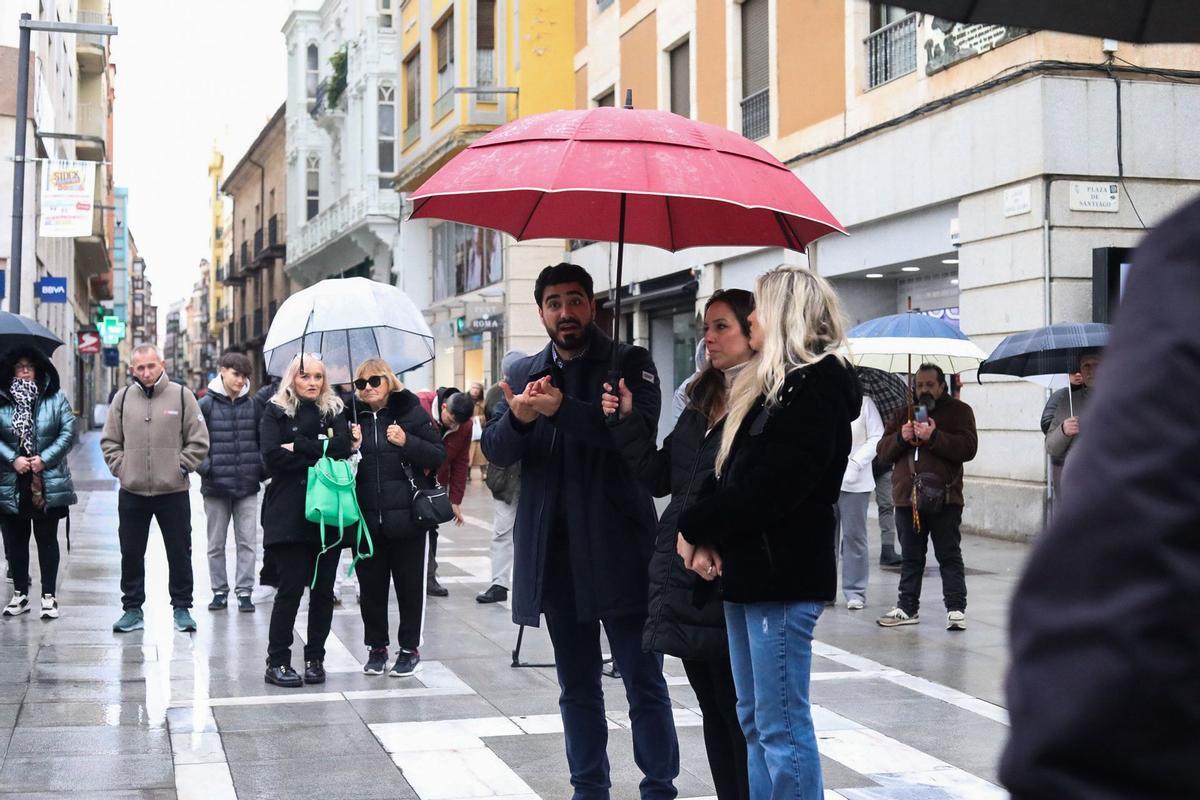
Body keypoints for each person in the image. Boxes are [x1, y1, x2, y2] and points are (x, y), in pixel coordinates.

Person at [999, 192, 1200, 800]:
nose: (1090, 370)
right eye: (1085, 365)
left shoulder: (1181, 270)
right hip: (1076, 499)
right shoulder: (1061, 402)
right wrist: (1066, 428)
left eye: (1095, 362)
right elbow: (1052, 451)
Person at [483, 262, 679, 800]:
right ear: (541, 310)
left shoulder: (631, 364)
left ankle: (659, 787)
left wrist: (565, 409)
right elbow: (496, 450)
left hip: (620, 548)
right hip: (557, 555)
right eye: (553, 302)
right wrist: (521, 417)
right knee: (577, 687)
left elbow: (633, 437)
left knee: (643, 682)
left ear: (592, 306)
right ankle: (588, 788)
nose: (564, 312)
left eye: (574, 300)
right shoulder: (526, 370)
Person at [675, 267, 859, 800]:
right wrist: (705, 534)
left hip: (783, 577)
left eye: (757, 308)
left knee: (781, 727)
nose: (750, 317)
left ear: (784, 314)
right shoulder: (775, 385)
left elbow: (771, 489)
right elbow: (731, 477)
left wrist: (695, 527)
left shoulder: (816, 388)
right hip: (750, 574)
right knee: (754, 720)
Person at [603, 288, 756, 800]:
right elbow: (659, 476)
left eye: (721, 327)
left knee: (742, 710)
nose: (707, 338)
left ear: (753, 331)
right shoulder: (700, 401)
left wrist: (711, 537)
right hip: (681, 572)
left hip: (723, 571)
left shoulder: (763, 404)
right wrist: (626, 420)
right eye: (705, 327)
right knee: (714, 707)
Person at [259, 353, 355, 688]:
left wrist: (298, 445)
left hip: (328, 515)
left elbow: (344, 447)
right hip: (288, 514)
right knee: (289, 591)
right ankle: (278, 661)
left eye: (317, 376)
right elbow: (272, 457)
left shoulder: (336, 408)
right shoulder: (274, 410)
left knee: (323, 591)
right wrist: (322, 451)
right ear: (292, 378)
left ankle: (315, 659)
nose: (312, 382)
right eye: (304, 376)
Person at [346, 359, 446, 677]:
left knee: (409, 587)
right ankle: (377, 649)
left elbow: (437, 454)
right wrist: (347, 445)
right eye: (361, 384)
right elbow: (332, 459)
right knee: (371, 589)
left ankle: (408, 648)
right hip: (365, 519)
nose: (368, 388)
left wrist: (407, 442)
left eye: (375, 381)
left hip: (408, 519)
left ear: (389, 381)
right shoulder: (349, 418)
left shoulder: (410, 411)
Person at [101, 343, 209, 634]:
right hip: (132, 491)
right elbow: (110, 440)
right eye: (140, 367)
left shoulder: (183, 396)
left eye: (151, 366)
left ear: (162, 364)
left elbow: (199, 440)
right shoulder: (122, 398)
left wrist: (180, 466)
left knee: (179, 551)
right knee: (131, 552)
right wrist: (122, 468)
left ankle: (182, 608)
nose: (146, 372)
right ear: (132, 369)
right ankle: (132, 609)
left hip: (172, 491)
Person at [875, 363, 978, 631]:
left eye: (929, 385)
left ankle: (955, 608)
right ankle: (907, 607)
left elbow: (968, 448)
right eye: (919, 385)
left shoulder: (960, 412)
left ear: (942, 386)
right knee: (911, 557)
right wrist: (901, 437)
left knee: (949, 554)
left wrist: (934, 436)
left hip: (944, 498)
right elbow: (883, 452)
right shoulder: (902, 414)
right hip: (907, 499)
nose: (924, 390)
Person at [0, 348, 76, 619]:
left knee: (46, 540)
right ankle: (20, 595)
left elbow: (69, 432)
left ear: (39, 370)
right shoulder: (2, 400)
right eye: (19, 366)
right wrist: (13, 459)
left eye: (29, 366)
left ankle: (49, 596)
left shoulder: (55, 399)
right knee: (16, 541)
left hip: (47, 481)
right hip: (11, 481)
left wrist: (44, 458)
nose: (24, 371)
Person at [197, 350, 264, 614]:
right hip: (215, 487)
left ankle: (245, 591)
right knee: (216, 543)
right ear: (222, 370)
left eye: (245, 376)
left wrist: (259, 469)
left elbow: (264, 439)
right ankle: (219, 591)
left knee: (247, 541)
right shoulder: (205, 405)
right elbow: (192, 441)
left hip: (247, 484)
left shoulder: (254, 405)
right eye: (236, 374)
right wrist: (207, 468)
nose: (240, 380)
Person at [477, 351, 527, 605]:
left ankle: (512, 583)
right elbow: (493, 436)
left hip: (527, 474)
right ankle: (500, 583)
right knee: (504, 530)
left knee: (511, 532)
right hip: (508, 476)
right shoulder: (498, 396)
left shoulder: (538, 391)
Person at [416, 387, 473, 598]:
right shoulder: (420, 405)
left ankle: (429, 577)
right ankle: (411, 575)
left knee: (431, 525)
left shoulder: (464, 425)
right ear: (443, 407)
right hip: (410, 476)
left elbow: (461, 462)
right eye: (451, 419)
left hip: (435, 481)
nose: (454, 425)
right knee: (409, 527)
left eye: (459, 423)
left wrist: (455, 501)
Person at [856, 367, 909, 567]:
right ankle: (850, 542)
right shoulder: (858, 398)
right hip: (860, 461)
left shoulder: (883, 392)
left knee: (886, 504)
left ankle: (887, 549)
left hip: (881, 461)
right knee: (858, 506)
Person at [836, 393, 884, 610]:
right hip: (825, 480)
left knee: (854, 536)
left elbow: (877, 437)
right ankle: (825, 589)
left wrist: (855, 463)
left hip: (855, 482)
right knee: (824, 537)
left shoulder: (865, 403)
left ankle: (855, 590)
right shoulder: (823, 401)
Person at [1043, 352, 1099, 501]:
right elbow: (1050, 447)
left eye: (1096, 365)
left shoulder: (1120, 397)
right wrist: (1063, 430)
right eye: (1086, 365)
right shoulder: (1067, 401)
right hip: (1077, 486)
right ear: (1080, 370)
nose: (1091, 370)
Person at [468, 381, 488, 481]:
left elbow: (487, 416)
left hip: (479, 430)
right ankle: (467, 473)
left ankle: (484, 472)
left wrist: (478, 418)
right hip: (468, 431)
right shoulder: (465, 400)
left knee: (481, 453)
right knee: (467, 453)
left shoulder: (483, 403)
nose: (475, 391)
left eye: (477, 389)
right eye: (473, 388)